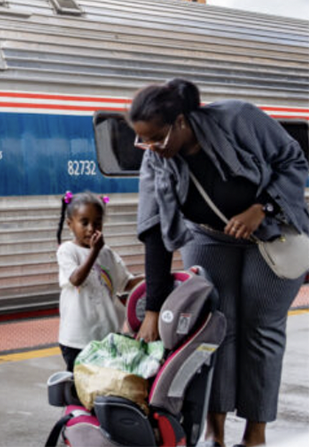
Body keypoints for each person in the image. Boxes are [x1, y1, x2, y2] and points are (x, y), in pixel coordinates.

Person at [129, 78, 308, 447]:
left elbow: (294, 160)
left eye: (157, 138)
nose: (151, 148)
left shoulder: (238, 119)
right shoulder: (155, 158)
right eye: (142, 140)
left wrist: (262, 208)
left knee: (260, 328)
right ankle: (215, 432)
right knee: (215, 329)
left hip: (271, 232)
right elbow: (154, 230)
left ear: (181, 122)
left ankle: (255, 435)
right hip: (209, 234)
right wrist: (153, 308)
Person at [55, 191, 141, 372]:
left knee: (103, 384)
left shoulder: (107, 252)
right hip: (77, 339)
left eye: (97, 222)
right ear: (70, 224)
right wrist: (94, 252)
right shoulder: (67, 251)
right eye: (84, 222)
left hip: (107, 336)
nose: (91, 228)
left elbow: (125, 283)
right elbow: (76, 279)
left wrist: (155, 277)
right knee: (80, 385)